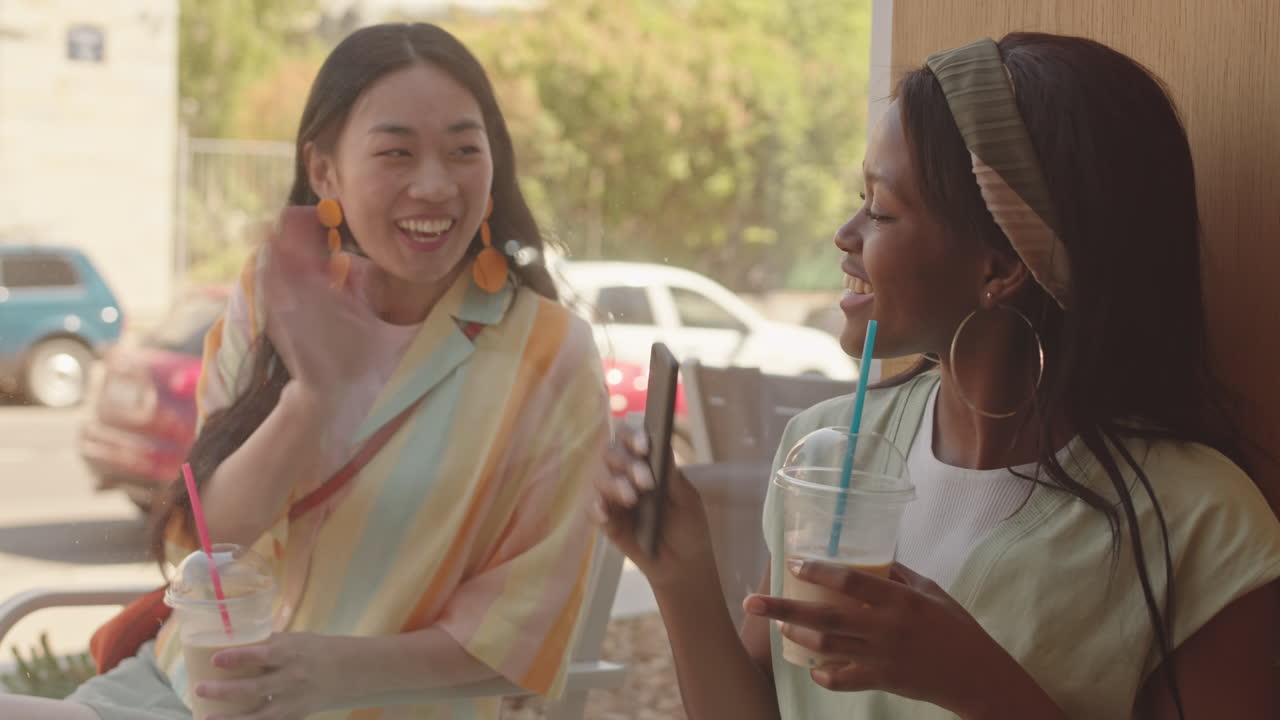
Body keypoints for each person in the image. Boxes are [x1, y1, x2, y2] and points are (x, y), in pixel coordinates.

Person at [595, 32, 1280, 720]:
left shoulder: (1200, 525)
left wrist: (973, 682)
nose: (844, 233)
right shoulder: (828, 447)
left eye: (882, 209)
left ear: (1001, 267)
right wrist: (677, 572)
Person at [4, 22, 610, 720]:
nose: (435, 184)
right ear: (325, 171)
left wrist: (330, 675)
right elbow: (212, 536)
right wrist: (311, 398)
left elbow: (525, 639)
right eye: (396, 152)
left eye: (464, 150)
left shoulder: (551, 356)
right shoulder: (274, 291)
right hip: (178, 690)